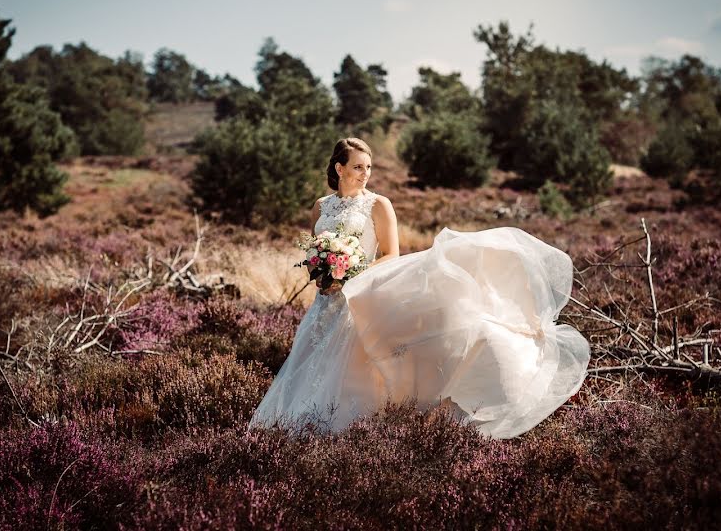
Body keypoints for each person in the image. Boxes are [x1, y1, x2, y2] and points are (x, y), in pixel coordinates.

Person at [248, 137, 590, 439]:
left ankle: (346, 431)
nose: (365, 173)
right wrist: (321, 272)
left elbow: (391, 254)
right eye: (357, 166)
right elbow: (314, 249)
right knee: (310, 358)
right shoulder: (321, 206)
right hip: (324, 301)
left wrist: (350, 275)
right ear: (338, 168)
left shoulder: (378, 204)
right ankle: (296, 429)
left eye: (369, 167)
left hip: (358, 295)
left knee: (352, 367)